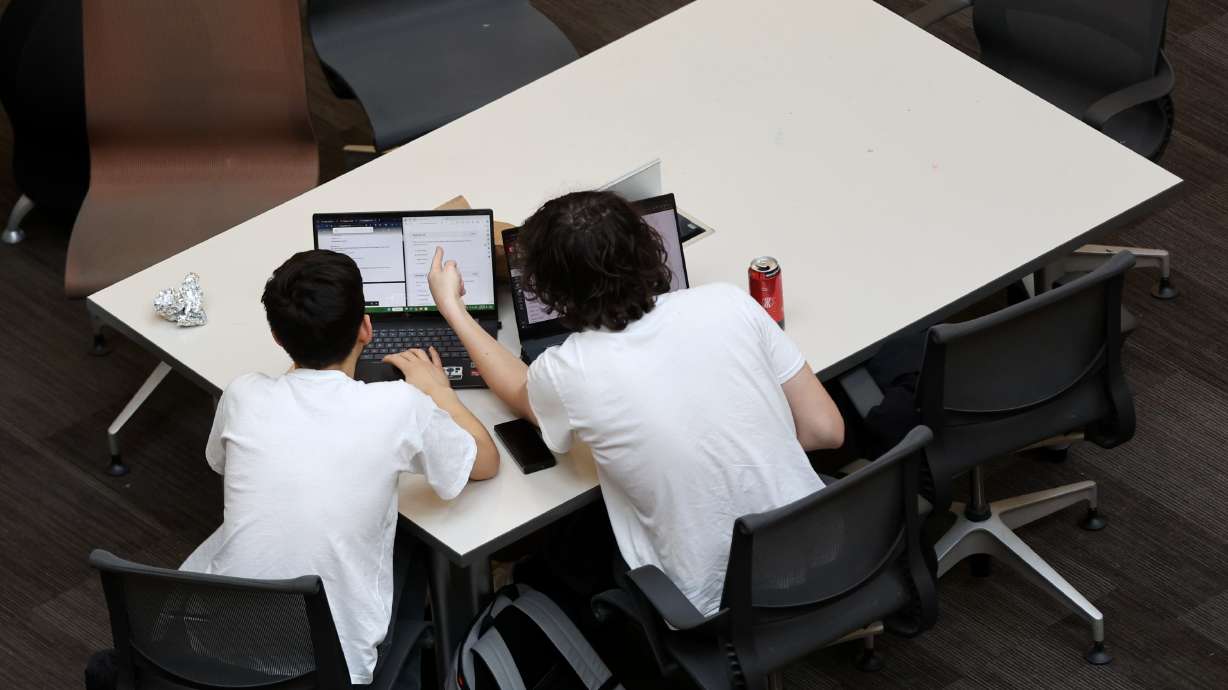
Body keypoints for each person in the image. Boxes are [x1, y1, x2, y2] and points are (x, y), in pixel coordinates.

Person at [427, 190, 844, 617]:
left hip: (710, 609)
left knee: (567, 550)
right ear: (648, 245)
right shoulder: (728, 301)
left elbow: (522, 394)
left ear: (551, 292)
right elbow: (826, 430)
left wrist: (453, 308)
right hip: (831, 561)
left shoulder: (570, 370)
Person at [179, 249, 499, 686]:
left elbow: (219, 463)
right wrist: (438, 391)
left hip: (215, 650)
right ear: (366, 328)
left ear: (276, 337)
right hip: (335, 669)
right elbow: (485, 462)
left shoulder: (241, 394)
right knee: (413, 534)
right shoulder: (398, 405)